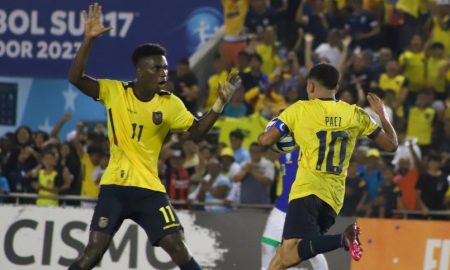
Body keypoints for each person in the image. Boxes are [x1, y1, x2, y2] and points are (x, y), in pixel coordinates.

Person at [67, 3, 240, 270]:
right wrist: (88, 40)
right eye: (157, 68)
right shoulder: (114, 92)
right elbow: (75, 77)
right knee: (93, 252)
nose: (164, 73)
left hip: (150, 190)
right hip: (115, 188)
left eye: (165, 68)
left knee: (179, 246)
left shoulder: (170, 104)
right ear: (140, 71)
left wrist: (218, 104)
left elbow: (198, 132)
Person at [258, 63, 398, 269]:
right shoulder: (355, 114)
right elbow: (392, 145)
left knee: (288, 254)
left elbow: (265, 141)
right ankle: (341, 239)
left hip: (307, 189)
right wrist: (383, 116)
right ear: (337, 87)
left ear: (311, 86)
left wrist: (276, 122)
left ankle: (343, 238)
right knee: (283, 256)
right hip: (333, 198)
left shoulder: (299, 109)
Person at [261, 148, 329, 270]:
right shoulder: (283, 151)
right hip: (281, 208)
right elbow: (268, 152)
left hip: (301, 210)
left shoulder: (306, 149)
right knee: (267, 245)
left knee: (312, 250)